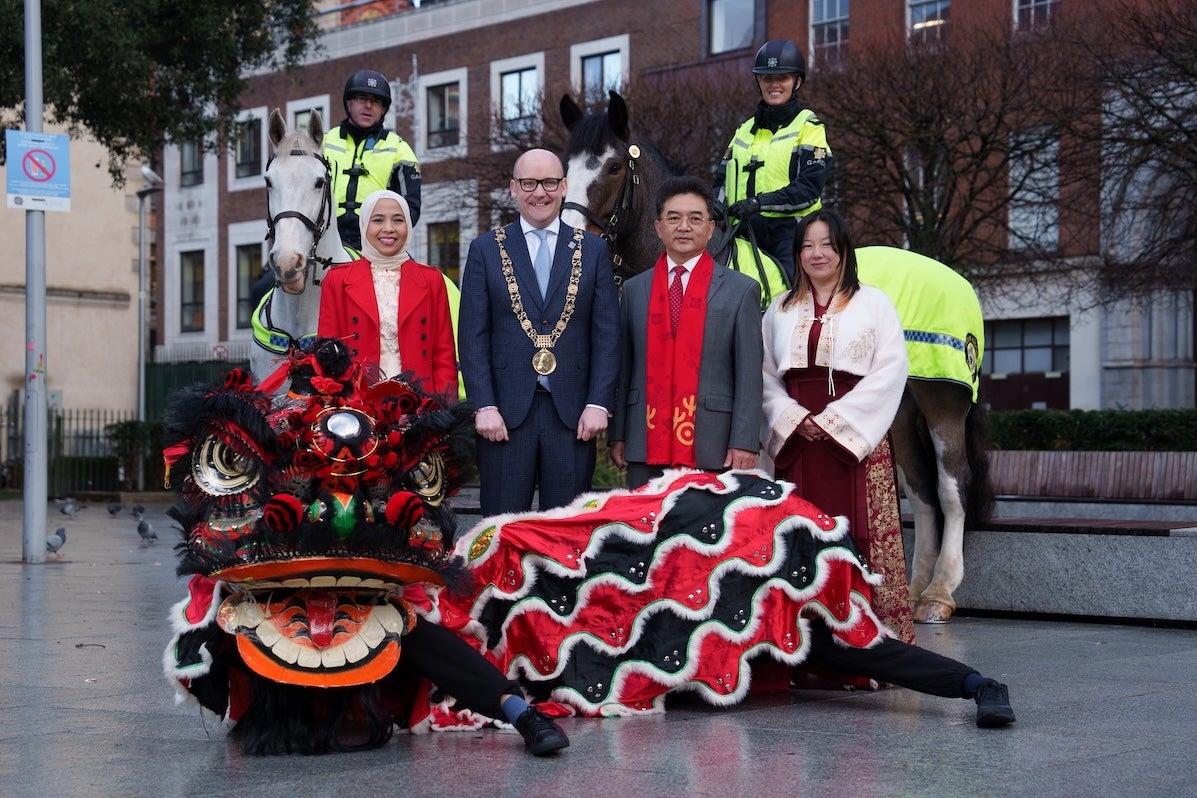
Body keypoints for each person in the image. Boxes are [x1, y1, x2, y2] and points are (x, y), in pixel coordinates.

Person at [763, 208, 920, 648]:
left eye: (827, 244)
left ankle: (869, 651)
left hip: (855, 443)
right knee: (798, 542)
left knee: (858, 536)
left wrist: (834, 422)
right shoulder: (778, 309)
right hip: (796, 444)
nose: (817, 254)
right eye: (807, 245)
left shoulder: (875, 303)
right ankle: (804, 654)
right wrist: (794, 419)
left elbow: (891, 370)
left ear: (844, 250)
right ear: (796, 254)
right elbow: (764, 376)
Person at [458, 148, 620, 517]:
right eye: (529, 183)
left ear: (563, 187)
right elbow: (473, 336)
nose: (539, 192)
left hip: (574, 415)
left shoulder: (592, 250)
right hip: (503, 416)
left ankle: (559, 580)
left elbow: (607, 335)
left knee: (565, 531)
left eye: (549, 182)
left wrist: (598, 403)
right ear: (513, 189)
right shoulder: (485, 249)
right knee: (501, 526)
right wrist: (483, 405)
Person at [609, 176, 763, 488]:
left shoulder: (741, 290)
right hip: (645, 437)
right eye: (673, 218)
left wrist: (745, 440)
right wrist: (619, 434)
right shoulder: (635, 289)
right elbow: (625, 369)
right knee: (646, 531)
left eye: (695, 219)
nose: (684, 227)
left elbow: (749, 374)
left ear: (710, 229)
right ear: (658, 227)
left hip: (715, 443)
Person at [318, 189, 457, 397]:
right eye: (378, 220)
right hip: (358, 404)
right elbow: (328, 356)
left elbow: (443, 356)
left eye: (398, 220)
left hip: (420, 405)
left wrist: (445, 412)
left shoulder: (432, 279)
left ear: (408, 226)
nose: (389, 229)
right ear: (364, 225)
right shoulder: (337, 280)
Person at [715, 39, 831, 285]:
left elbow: (809, 190)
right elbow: (721, 183)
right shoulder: (742, 131)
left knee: (792, 292)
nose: (774, 85)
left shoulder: (808, 127)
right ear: (759, 83)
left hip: (790, 233)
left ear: (796, 82)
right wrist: (713, 208)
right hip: (742, 233)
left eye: (783, 78)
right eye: (767, 79)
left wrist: (759, 203)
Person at [324, 69, 422, 251]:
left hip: (375, 246)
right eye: (361, 98)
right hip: (324, 241)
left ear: (383, 109)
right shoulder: (324, 142)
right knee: (270, 280)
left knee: (420, 279)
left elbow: (411, 210)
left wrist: (383, 235)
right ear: (349, 102)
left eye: (376, 101)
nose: (368, 106)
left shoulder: (400, 149)